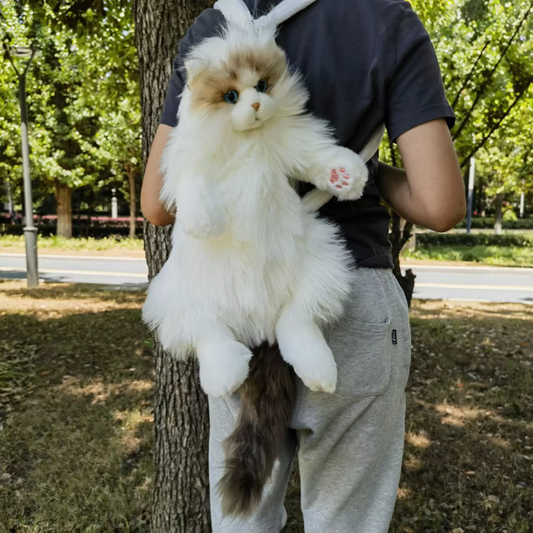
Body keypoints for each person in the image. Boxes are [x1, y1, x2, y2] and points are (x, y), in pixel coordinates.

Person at [141, 0, 466, 531]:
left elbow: (156, 204)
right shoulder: (384, 18)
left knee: (243, 517)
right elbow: (441, 204)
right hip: (343, 290)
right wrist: (370, 169)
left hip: (234, 299)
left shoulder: (213, 29)